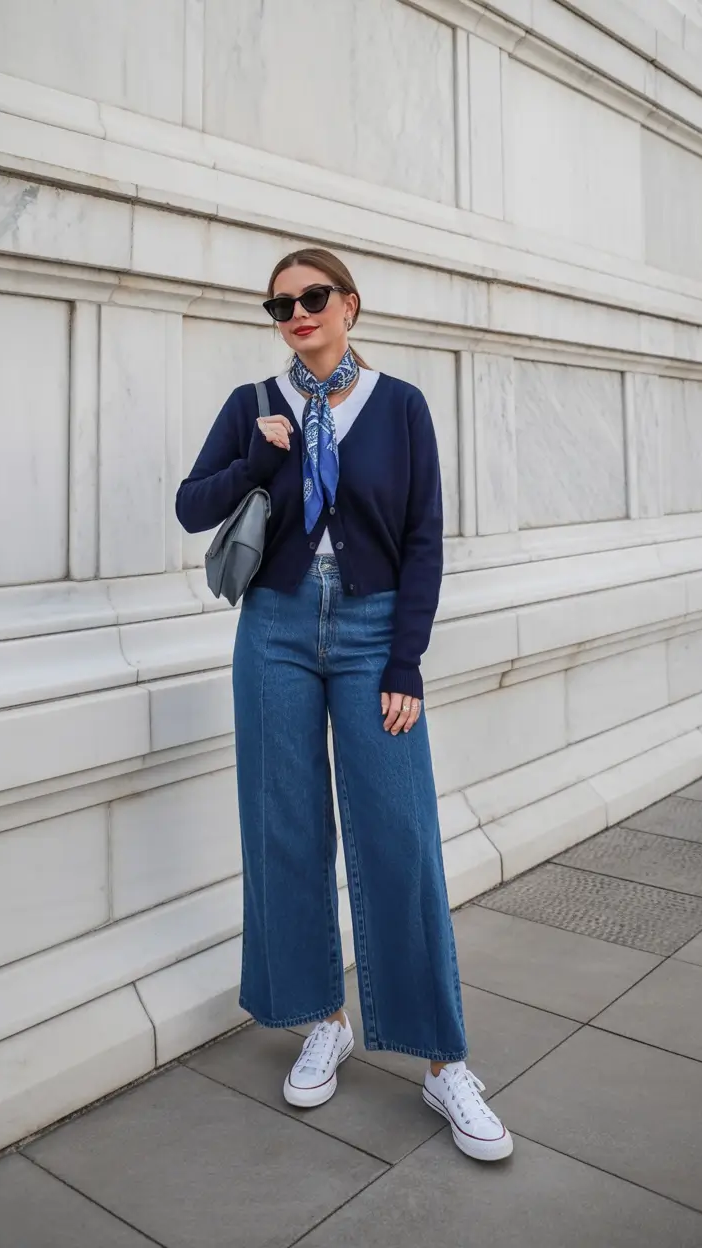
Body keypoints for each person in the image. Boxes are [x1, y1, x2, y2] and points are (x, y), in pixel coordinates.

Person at [175, 248, 512, 1162]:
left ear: (350, 305)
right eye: (280, 303)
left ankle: (444, 1063)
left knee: (398, 833)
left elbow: (423, 539)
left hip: (371, 638)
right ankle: (322, 1018)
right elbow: (189, 505)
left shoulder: (400, 407)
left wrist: (406, 662)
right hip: (274, 630)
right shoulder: (255, 404)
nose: (297, 313)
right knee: (285, 824)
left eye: (313, 297)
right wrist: (258, 455)